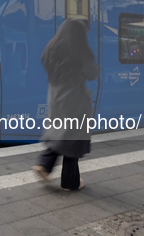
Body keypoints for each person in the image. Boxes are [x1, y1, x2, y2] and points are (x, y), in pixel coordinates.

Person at [32, 19, 99, 191]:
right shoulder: (80, 50)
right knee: (73, 140)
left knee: (59, 130)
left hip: (55, 97)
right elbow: (93, 74)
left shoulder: (52, 48)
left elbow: (44, 62)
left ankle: (44, 164)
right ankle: (70, 182)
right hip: (74, 98)